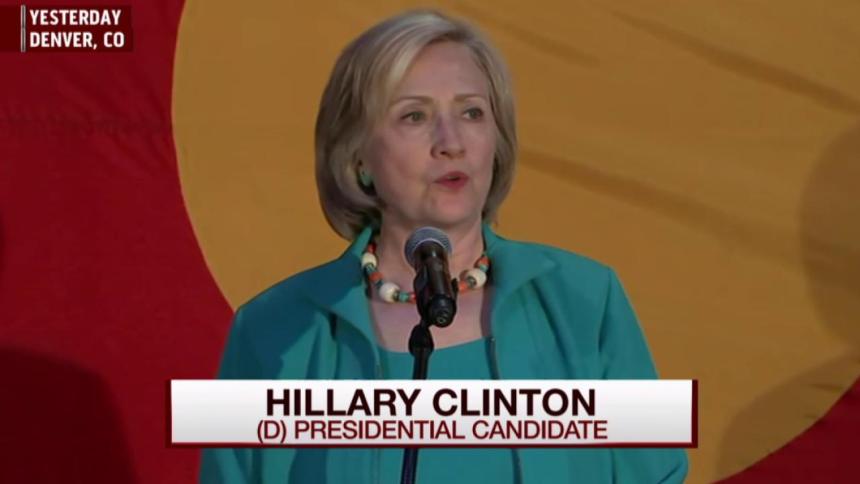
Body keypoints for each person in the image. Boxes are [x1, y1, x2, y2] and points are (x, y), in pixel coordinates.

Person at [200, 9, 688, 484]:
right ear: (358, 157)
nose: (451, 142)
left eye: (472, 112)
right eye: (414, 116)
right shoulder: (274, 329)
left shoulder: (588, 301)